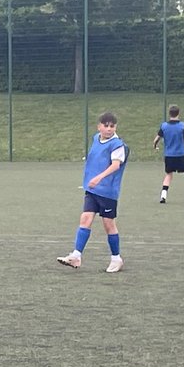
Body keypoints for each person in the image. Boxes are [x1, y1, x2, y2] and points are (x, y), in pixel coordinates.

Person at [56, 111, 128, 273]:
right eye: (106, 126)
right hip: (92, 190)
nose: (109, 129)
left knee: (108, 224)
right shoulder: (96, 138)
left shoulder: (117, 145)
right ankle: (76, 255)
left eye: (112, 126)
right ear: (99, 127)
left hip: (107, 192)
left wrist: (99, 177)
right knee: (85, 218)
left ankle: (116, 258)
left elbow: (115, 165)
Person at [153, 104, 184, 204]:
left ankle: (163, 196)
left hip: (168, 155)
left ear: (169, 114)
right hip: (180, 154)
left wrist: (155, 145)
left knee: (168, 175)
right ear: (178, 113)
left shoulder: (164, 126)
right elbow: (183, 137)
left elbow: (156, 139)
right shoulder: (182, 126)